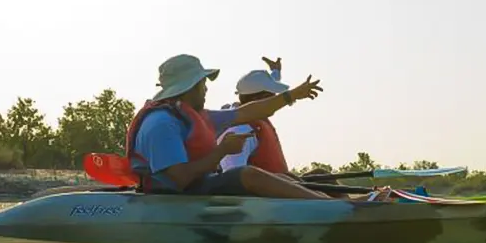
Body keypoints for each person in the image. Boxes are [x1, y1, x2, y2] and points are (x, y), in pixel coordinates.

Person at [125, 54, 334, 199]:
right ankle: (336, 207)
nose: (206, 89)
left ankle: (333, 202)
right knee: (247, 174)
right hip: (175, 196)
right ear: (189, 87)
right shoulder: (161, 124)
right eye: (202, 84)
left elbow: (247, 112)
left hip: (197, 187)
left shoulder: (195, 116)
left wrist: (291, 95)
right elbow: (180, 179)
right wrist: (221, 151)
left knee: (283, 177)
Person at [218, 56, 293, 176]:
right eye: (272, 97)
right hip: (266, 192)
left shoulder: (254, 115)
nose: (275, 101)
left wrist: (276, 71)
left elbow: (270, 83)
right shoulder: (240, 130)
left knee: (319, 173)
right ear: (257, 99)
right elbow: (233, 177)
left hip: (281, 186)